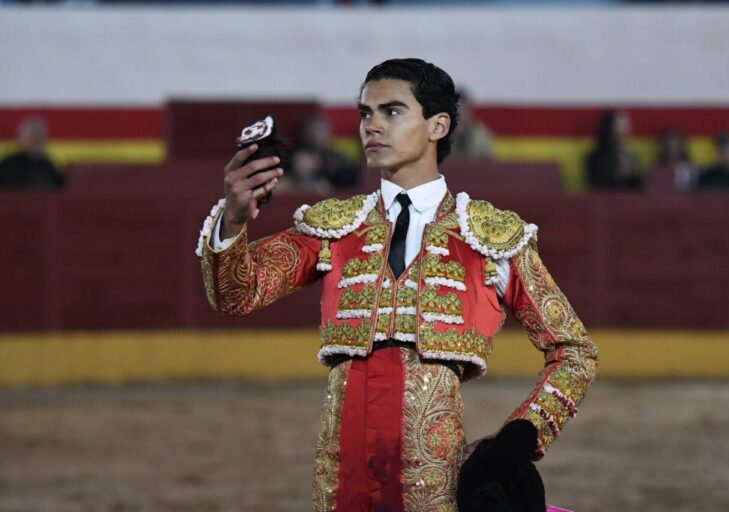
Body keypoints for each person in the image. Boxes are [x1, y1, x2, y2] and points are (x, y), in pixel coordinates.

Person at [196, 58, 598, 512]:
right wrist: (233, 221)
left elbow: (575, 351)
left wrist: (519, 438)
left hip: (434, 479)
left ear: (437, 126)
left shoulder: (488, 237)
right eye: (365, 113)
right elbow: (236, 294)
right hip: (341, 476)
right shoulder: (334, 227)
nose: (371, 126)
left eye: (391, 111)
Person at [279, 111, 358, 194]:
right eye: (312, 129)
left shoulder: (336, 157)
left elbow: (349, 182)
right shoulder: (295, 154)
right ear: (305, 132)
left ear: (328, 131)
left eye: (321, 129)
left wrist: (331, 169)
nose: (316, 134)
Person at [0, 116, 65, 189]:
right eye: (31, 138)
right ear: (22, 139)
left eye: (39, 138)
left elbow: (60, 190)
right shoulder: (8, 165)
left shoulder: (48, 167)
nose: (36, 141)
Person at [585, 109, 643, 190]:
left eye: (625, 126)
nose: (625, 130)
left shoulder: (630, 157)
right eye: (620, 126)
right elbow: (599, 186)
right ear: (609, 128)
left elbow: (638, 186)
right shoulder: (595, 158)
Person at [451, 87, 495, 161]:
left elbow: (489, 160)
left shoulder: (480, 134)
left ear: (468, 111)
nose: (458, 113)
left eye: (461, 108)